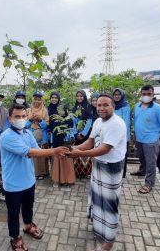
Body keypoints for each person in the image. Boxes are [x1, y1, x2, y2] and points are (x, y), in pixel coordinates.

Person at [0, 104, 69, 251]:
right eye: (17, 116)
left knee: (28, 207)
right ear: (10, 119)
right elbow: (29, 152)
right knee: (13, 214)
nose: (21, 119)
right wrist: (54, 151)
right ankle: (15, 237)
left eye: (24, 116)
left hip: (29, 180)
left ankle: (28, 226)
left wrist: (56, 152)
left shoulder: (27, 133)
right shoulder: (6, 136)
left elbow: (37, 150)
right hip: (13, 184)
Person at [67, 94, 126, 251]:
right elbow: (91, 142)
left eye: (105, 105)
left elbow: (104, 149)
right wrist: (75, 148)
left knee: (110, 204)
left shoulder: (117, 124)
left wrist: (78, 154)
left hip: (111, 167)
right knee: (97, 198)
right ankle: (100, 230)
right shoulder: (98, 121)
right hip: (98, 164)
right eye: (99, 105)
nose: (101, 108)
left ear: (113, 106)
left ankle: (108, 244)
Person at [131, 85, 160, 194]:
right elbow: (136, 122)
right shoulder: (137, 106)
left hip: (151, 140)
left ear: (153, 95)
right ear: (141, 94)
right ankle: (142, 171)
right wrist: (135, 134)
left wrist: (156, 135)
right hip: (139, 138)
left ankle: (149, 183)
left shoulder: (157, 108)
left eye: (149, 94)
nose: (146, 96)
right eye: (144, 94)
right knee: (142, 158)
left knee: (151, 162)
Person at [48, 91, 76, 187]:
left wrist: (64, 122)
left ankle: (67, 179)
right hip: (55, 136)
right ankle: (56, 179)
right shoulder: (49, 109)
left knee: (66, 155)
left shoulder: (63, 108)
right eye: (52, 97)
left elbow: (71, 123)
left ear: (58, 99)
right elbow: (48, 123)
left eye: (56, 97)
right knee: (57, 156)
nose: (54, 99)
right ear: (50, 99)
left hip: (64, 136)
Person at [26, 91, 50, 179]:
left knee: (41, 154)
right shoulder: (28, 110)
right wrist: (31, 120)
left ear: (41, 101)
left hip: (41, 135)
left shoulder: (45, 111)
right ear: (33, 100)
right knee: (33, 154)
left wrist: (40, 120)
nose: (37, 101)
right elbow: (25, 126)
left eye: (39, 99)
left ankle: (42, 173)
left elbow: (47, 126)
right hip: (31, 135)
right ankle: (34, 172)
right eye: (35, 99)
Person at [113, 88, 131, 178]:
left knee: (123, 154)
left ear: (122, 95)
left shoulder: (125, 106)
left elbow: (126, 123)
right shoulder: (112, 106)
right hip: (113, 135)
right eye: (115, 94)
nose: (117, 96)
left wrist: (122, 136)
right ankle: (115, 171)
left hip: (123, 135)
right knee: (115, 153)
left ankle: (122, 174)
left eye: (119, 94)